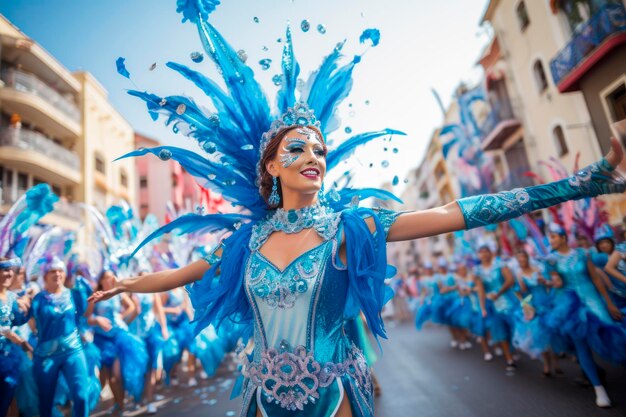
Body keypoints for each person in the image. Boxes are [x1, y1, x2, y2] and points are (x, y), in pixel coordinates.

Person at [89, 2, 626, 415]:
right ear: (271, 167)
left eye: (319, 149)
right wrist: (126, 285)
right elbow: (183, 274)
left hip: (333, 393)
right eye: (296, 148)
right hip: (259, 395)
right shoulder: (245, 241)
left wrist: (579, 184)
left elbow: (453, 212)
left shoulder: (352, 227)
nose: (312, 157)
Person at [543, 223, 626, 407]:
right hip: (569, 305)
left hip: (593, 300)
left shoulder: (582, 253)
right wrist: (549, 282)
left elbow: (595, 278)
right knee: (582, 346)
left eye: (553, 237)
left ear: (563, 237)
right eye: (549, 238)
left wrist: (610, 302)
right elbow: (556, 283)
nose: (551, 241)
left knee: (612, 336)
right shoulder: (550, 260)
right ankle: (599, 389)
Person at [28, 257, 91, 417]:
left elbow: (83, 315)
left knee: (81, 396)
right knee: (46, 401)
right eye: (52, 271)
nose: (57, 274)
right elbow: (28, 321)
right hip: (47, 356)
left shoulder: (74, 294)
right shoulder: (38, 299)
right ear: (45, 276)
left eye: (60, 270)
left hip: (73, 351)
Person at [0, 257, 31, 417]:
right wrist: (7, 332)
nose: (9, 273)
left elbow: (18, 321)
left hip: (8, 357)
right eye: (5, 269)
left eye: (11, 270)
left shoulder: (12, 297)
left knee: (6, 399)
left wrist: (28, 307)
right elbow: (7, 330)